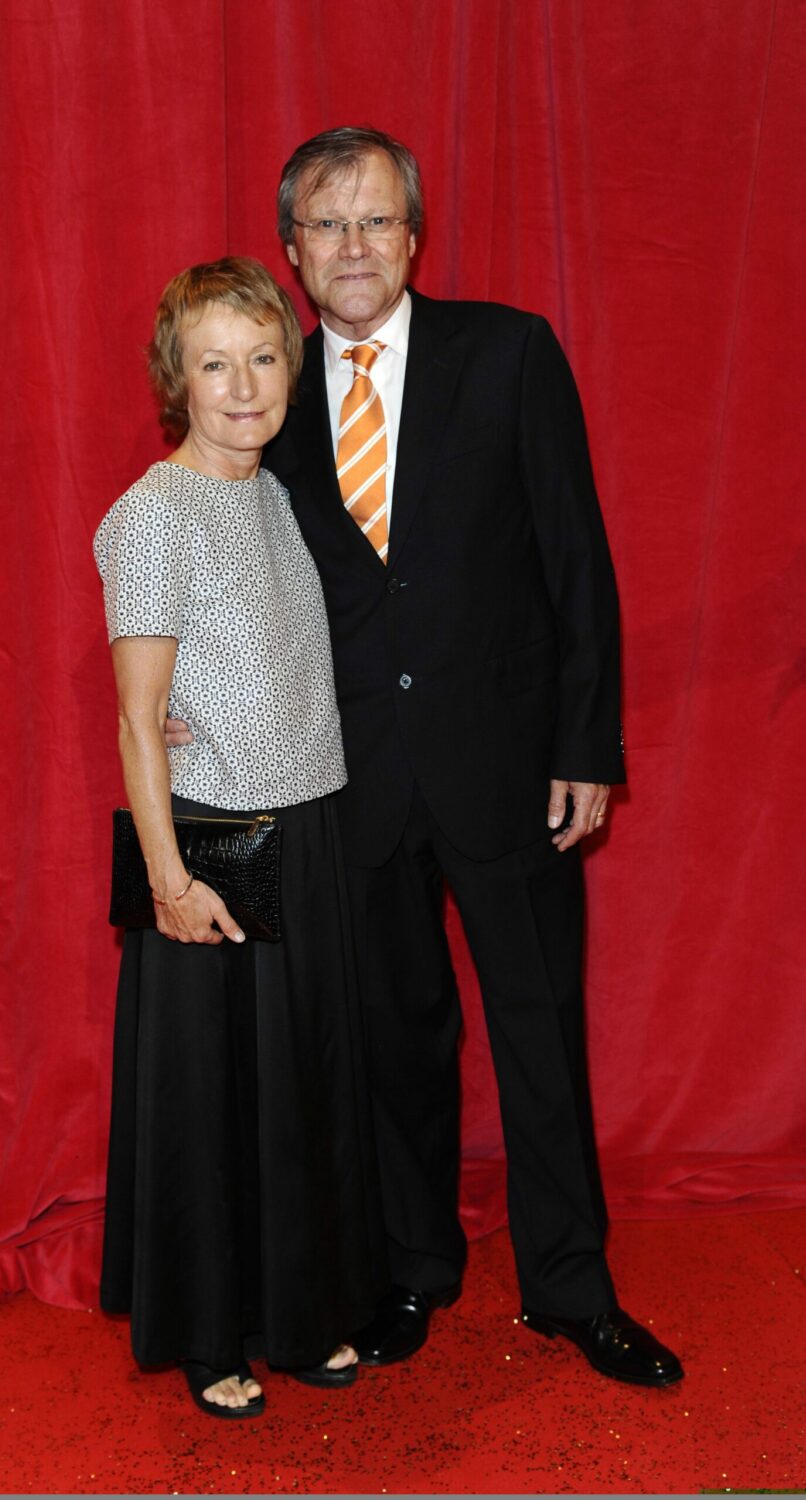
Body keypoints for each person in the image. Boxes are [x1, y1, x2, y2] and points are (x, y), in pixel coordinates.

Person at [264, 126, 683, 1385]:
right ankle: (412, 1270)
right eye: (327, 225)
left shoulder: (505, 354)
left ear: (413, 238)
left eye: (375, 221)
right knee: (396, 1037)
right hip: (351, 778)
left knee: (540, 1030)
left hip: (509, 767)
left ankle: (569, 1284)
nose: (352, 246)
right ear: (292, 252)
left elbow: (574, 559)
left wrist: (585, 741)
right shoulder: (261, 391)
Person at [93, 256, 387, 1419]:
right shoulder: (152, 513)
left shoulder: (271, 492)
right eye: (214, 363)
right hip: (213, 841)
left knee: (299, 1089)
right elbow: (133, 717)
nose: (243, 384)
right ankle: (211, 1333)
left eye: (263, 357)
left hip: (308, 824)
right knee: (215, 1105)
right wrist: (168, 881)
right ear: (177, 379)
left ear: (290, 365)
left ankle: (301, 1312)